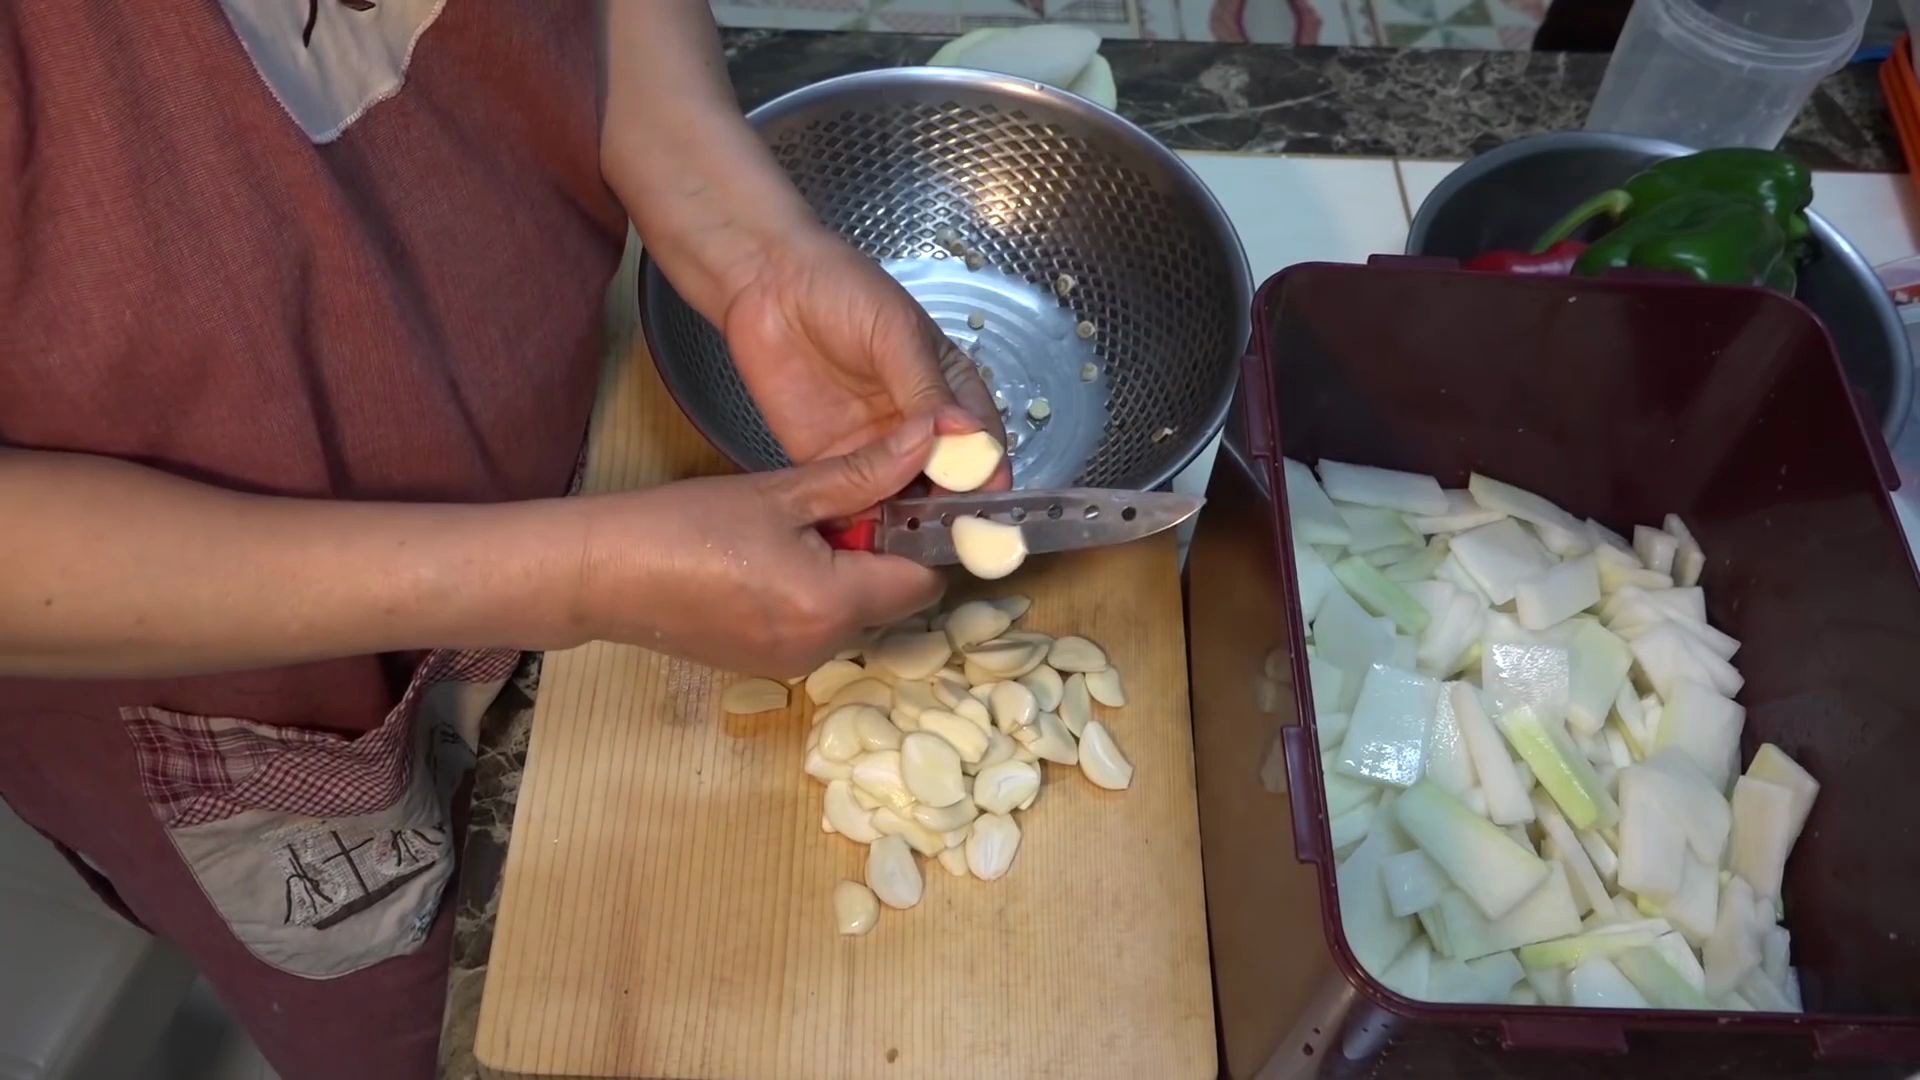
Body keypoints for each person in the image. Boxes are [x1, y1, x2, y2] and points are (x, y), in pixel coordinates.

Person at [0, 3, 1003, 1077]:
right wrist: (570, 579)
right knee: (442, 1008)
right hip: (240, 678)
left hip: (554, 438)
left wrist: (748, 246)